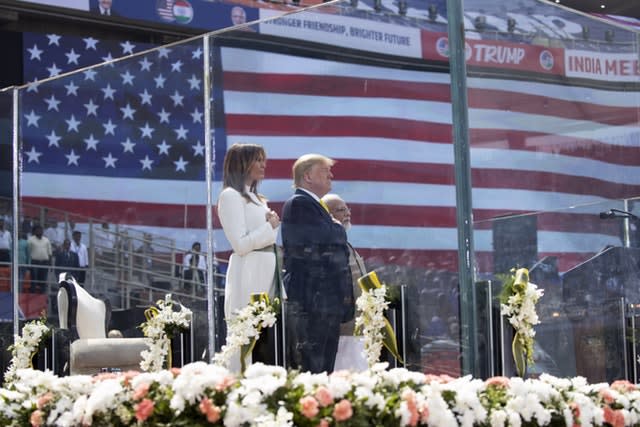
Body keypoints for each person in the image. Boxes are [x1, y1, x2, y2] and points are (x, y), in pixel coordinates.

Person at [281, 154, 352, 373]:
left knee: (325, 368)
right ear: (307, 176)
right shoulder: (300, 204)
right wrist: (337, 228)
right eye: (324, 170)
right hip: (313, 302)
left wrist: (334, 228)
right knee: (314, 369)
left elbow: (332, 238)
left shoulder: (316, 206)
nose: (331, 175)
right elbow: (327, 238)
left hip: (324, 302)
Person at [217, 143, 280, 370]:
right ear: (243, 163)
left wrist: (270, 227)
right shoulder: (231, 196)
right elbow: (240, 244)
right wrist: (269, 226)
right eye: (258, 160)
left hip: (268, 272)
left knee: (266, 336)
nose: (263, 165)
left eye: (264, 159)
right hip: (249, 273)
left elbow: (270, 237)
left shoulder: (258, 198)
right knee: (246, 336)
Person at [321, 193, 368, 371]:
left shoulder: (344, 243)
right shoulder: (329, 245)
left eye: (347, 209)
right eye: (341, 210)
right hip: (343, 328)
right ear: (328, 215)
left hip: (358, 326)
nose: (347, 213)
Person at [27, 225, 52, 294]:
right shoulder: (30, 239)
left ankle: (42, 294)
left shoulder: (46, 240)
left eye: (41, 230)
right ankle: (33, 293)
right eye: (38, 230)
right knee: (34, 278)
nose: (40, 231)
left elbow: (49, 253)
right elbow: (28, 252)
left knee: (43, 279)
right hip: (34, 262)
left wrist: (50, 263)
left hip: (44, 262)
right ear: (34, 231)